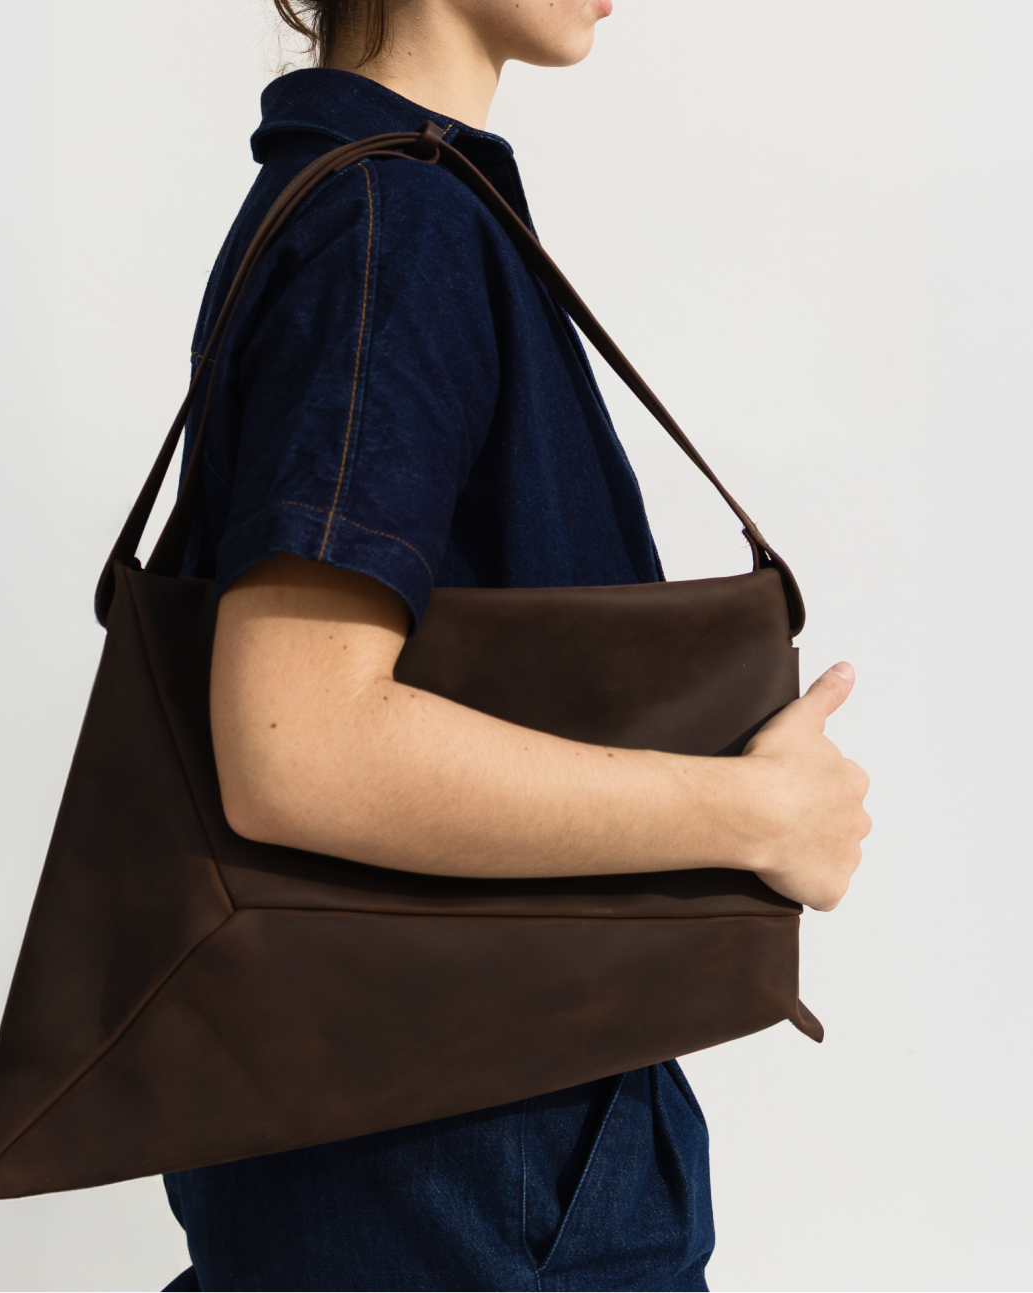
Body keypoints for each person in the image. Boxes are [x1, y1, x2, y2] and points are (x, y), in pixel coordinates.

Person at [158, 1, 871, 1287]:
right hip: (466, 1170)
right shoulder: (393, 228)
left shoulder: (387, 210)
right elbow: (299, 748)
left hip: (434, 1151)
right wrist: (753, 816)